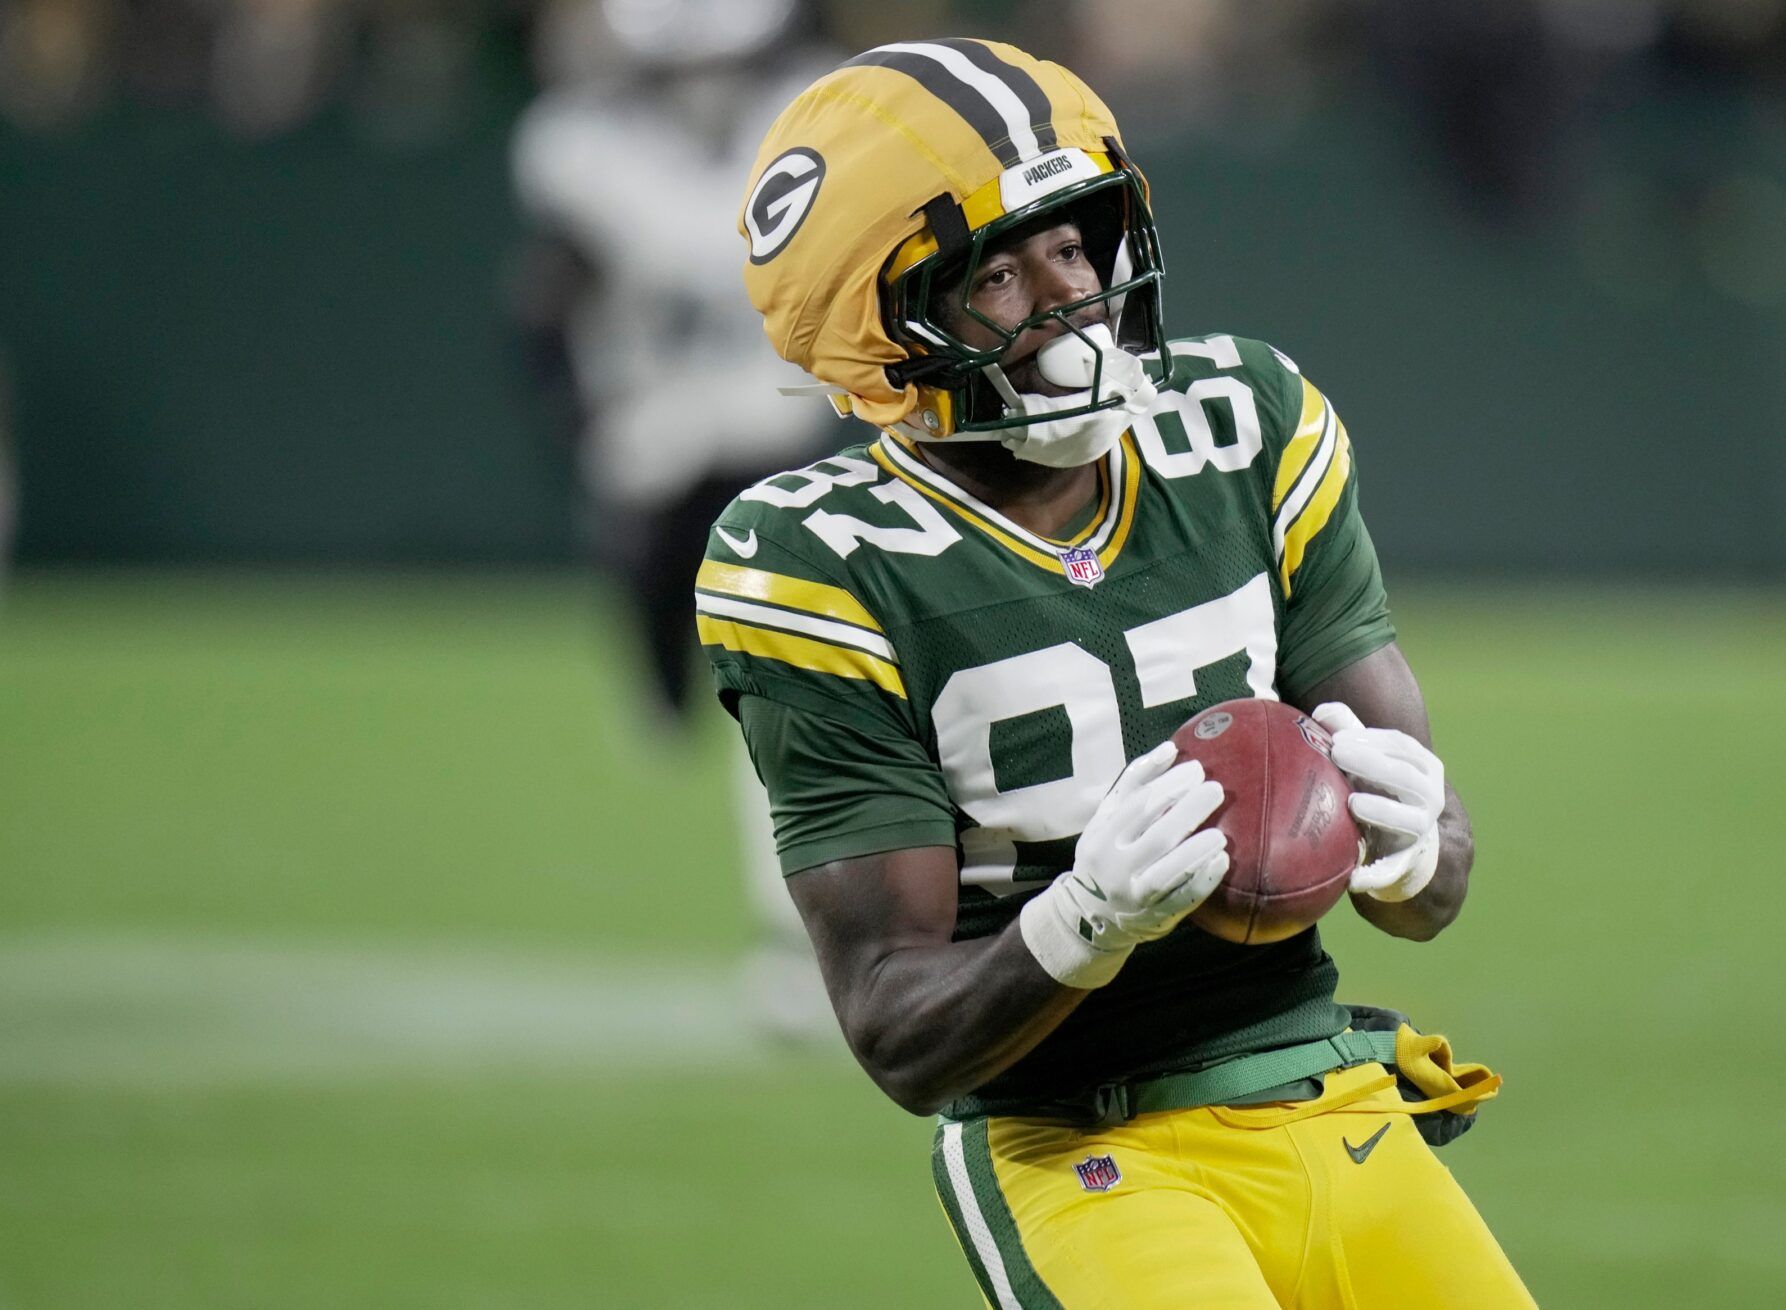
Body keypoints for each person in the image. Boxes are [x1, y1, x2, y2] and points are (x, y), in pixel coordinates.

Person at [699, 37, 1534, 1308]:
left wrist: (1422, 844)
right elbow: (895, 1027)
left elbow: (1426, 890)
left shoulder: (1246, 424)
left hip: (1327, 1089)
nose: (1067, 299)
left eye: (1075, 246)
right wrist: (1082, 920)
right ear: (884, 329)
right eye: (997, 274)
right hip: (1079, 1142)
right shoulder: (818, 562)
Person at [511, 0, 844, 1037]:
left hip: (786, 437)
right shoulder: (582, 150)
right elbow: (540, 311)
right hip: (656, 448)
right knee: (670, 707)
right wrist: (589, 423)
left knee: (783, 690)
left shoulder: (818, 118)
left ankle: (805, 942)